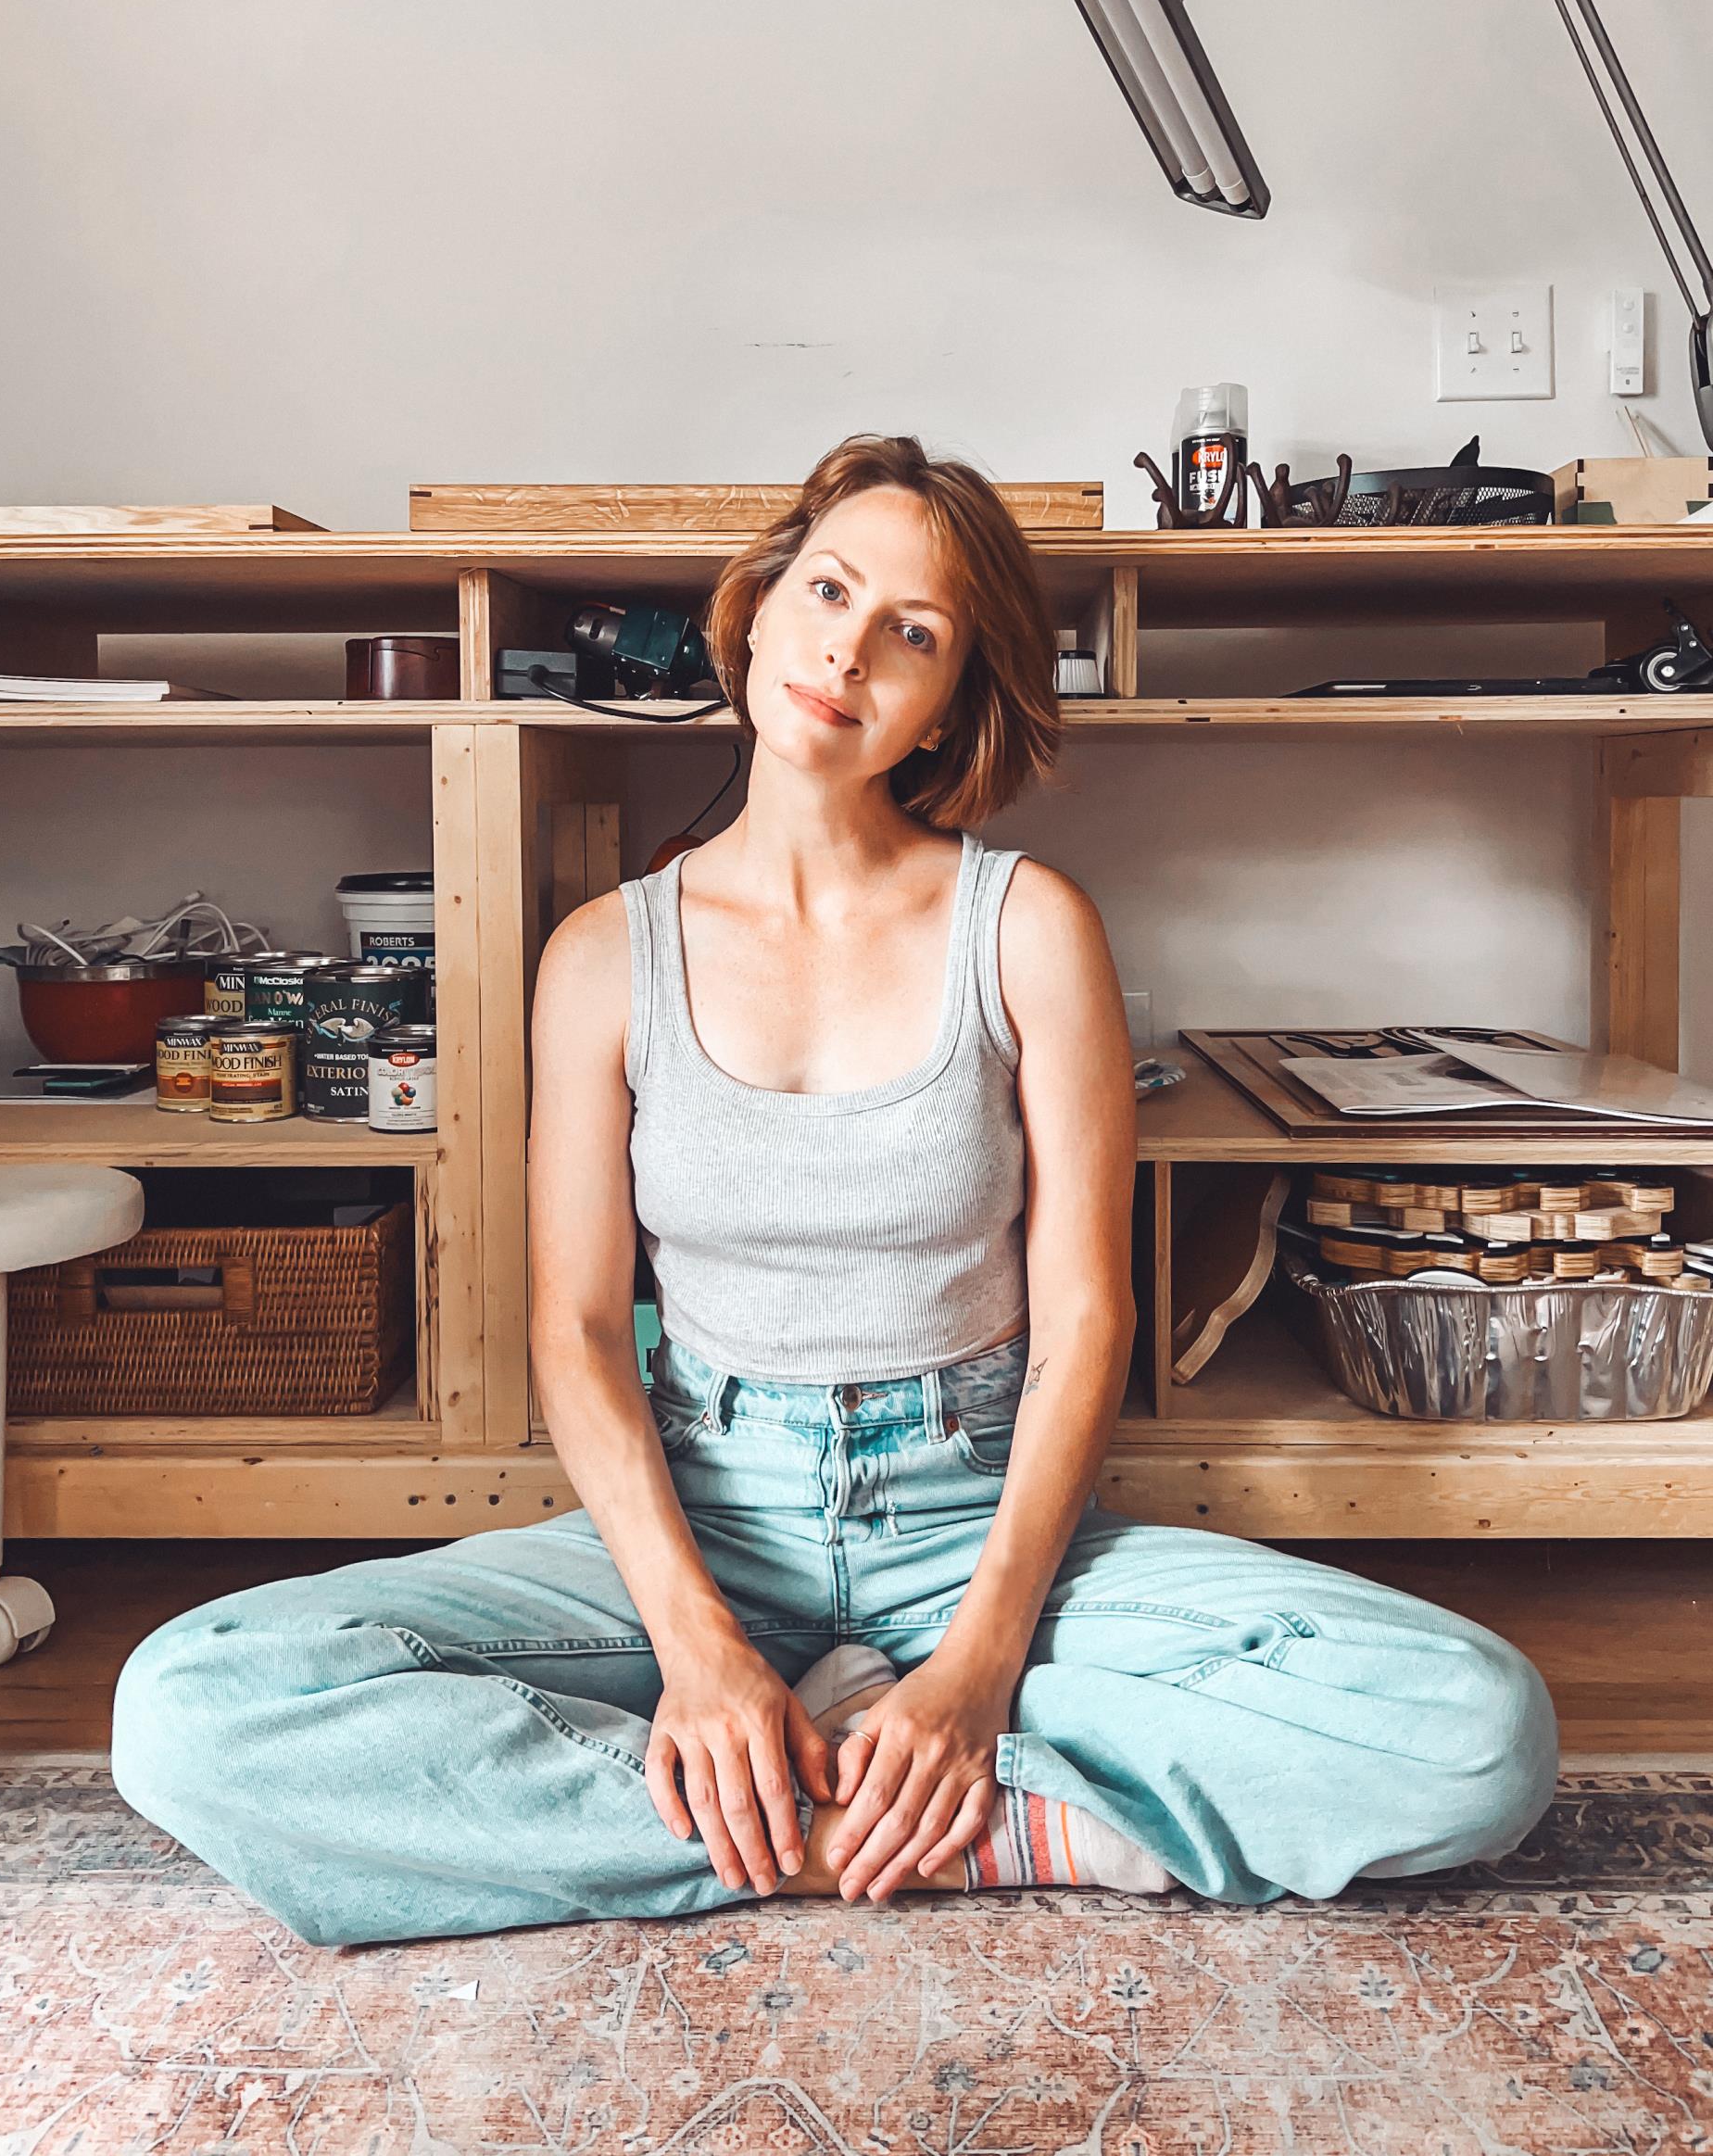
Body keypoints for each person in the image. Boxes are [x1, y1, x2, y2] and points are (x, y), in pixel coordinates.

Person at [110, 432, 1559, 1947]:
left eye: (913, 633)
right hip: (701, 1515)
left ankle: (805, 1793)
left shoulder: (1029, 927)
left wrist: (984, 1658)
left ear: (953, 697)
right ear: (759, 606)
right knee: (188, 1707)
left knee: (1478, 1731)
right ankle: (925, 1822)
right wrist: (695, 1649)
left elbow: (1083, 1324)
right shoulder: (602, 954)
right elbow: (583, 1334)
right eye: (830, 589)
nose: (847, 650)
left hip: (974, 1516)